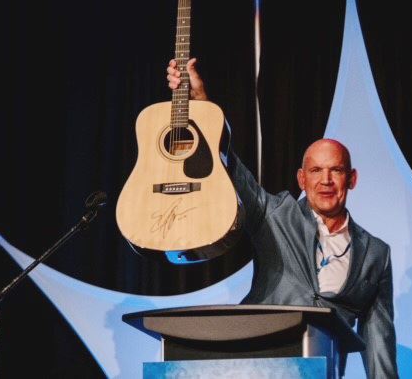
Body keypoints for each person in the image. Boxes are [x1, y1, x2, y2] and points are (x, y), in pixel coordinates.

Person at [167, 59, 398, 378]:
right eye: (316, 171)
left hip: (322, 369)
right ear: (302, 179)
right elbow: (232, 171)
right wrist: (202, 104)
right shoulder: (274, 214)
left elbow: (379, 341)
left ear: (352, 178)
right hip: (256, 361)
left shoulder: (376, 254)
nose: (326, 180)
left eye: (336, 170)